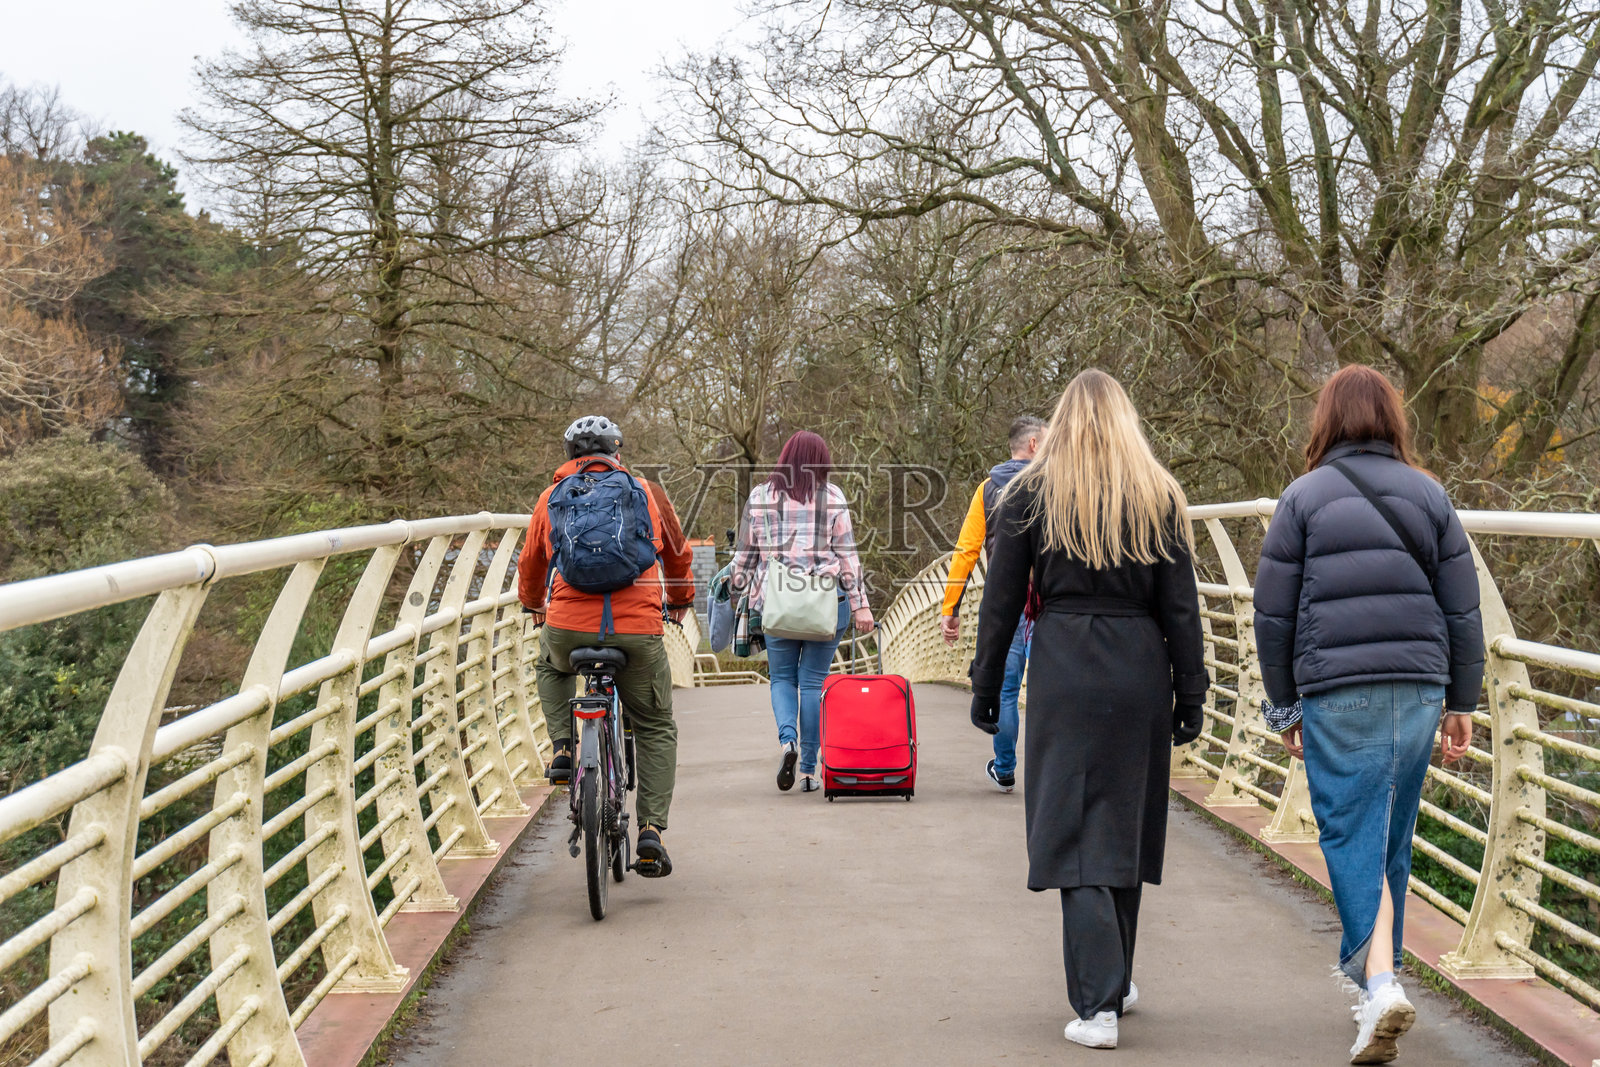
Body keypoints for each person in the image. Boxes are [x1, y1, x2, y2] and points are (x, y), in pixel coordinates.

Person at [969, 369, 1206, 1050]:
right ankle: (1116, 980)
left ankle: (1097, 1007)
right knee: (1124, 824)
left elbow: (1002, 601)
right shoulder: (1159, 495)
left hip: (1064, 666)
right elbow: (1181, 607)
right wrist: (1191, 691)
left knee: (1073, 830)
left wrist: (986, 684)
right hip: (1140, 666)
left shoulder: (1029, 493)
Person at [1253, 365, 1481, 1064]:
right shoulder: (1429, 494)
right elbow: (1462, 608)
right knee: (1390, 840)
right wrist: (1462, 702)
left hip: (1339, 688)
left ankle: (1380, 985)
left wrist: (1284, 706)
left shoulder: (1302, 497)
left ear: (1326, 420)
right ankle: (1376, 987)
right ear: (1391, 419)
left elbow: (1273, 614)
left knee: (1351, 833)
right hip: (1419, 688)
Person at [517, 415, 697, 877]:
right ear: (617, 453)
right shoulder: (647, 493)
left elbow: (532, 562)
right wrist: (680, 601)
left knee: (550, 665)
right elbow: (677, 554)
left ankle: (563, 747)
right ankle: (651, 831)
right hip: (637, 630)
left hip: (568, 627)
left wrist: (534, 604)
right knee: (655, 725)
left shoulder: (551, 497)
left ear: (569, 456)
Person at [731, 431, 874, 793]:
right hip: (825, 605)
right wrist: (860, 606)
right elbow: (848, 558)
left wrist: (735, 589)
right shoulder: (833, 497)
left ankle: (788, 741)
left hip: (777, 604)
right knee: (813, 682)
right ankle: (809, 770)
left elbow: (744, 557)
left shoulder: (760, 497)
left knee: (782, 678)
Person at [939, 415, 1045, 791]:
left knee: (1006, 690)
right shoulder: (1058, 483)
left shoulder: (988, 489)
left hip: (1005, 604)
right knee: (1051, 689)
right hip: (1050, 602)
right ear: (1033, 444)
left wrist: (950, 609)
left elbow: (966, 551)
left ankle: (1005, 769)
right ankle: (1050, 775)